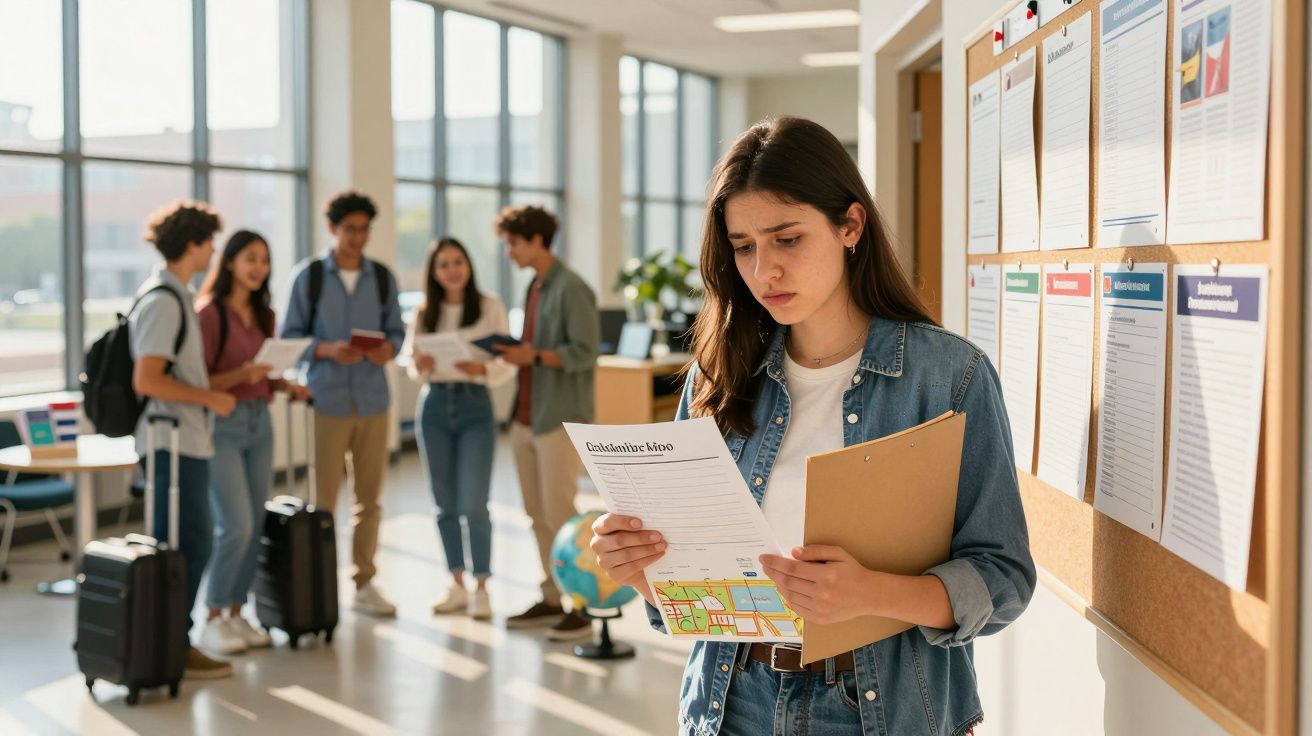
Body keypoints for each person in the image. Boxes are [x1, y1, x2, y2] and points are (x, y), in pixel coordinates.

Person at [589, 117, 1035, 735]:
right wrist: (644, 573)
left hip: (882, 709)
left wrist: (871, 594)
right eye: (743, 246)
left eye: (787, 239)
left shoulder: (949, 377)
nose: (763, 269)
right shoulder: (716, 378)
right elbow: (699, 595)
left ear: (850, 226)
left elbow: (1003, 578)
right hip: (730, 700)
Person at [280, 191, 406, 618]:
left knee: (369, 500)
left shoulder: (383, 278)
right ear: (332, 228)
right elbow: (290, 340)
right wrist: (328, 350)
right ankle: (319, 581)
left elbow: (397, 333)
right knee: (324, 502)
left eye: (364, 229)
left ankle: (364, 580)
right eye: (349, 229)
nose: (357, 237)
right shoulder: (310, 278)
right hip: (328, 400)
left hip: (373, 400)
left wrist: (387, 348)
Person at [129, 201, 238, 679]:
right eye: (209, 241)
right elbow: (147, 379)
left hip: (186, 442)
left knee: (189, 541)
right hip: (170, 443)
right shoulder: (163, 301)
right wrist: (209, 398)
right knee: (184, 542)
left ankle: (173, 638)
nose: (214, 250)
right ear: (193, 244)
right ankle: (173, 640)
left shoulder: (177, 297)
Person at [195, 230, 311, 654]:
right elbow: (198, 381)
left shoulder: (265, 316)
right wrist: (241, 376)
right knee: (235, 525)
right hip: (221, 425)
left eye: (264, 259)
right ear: (229, 263)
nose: (258, 267)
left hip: (259, 423)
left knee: (255, 523)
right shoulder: (209, 314)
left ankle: (236, 612)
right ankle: (211, 614)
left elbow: (263, 371)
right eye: (250, 259)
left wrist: (283, 384)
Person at [491, 205, 600, 641]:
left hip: (558, 415)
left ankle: (583, 604)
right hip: (525, 415)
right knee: (536, 513)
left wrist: (532, 355)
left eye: (513, 243)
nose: (508, 252)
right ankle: (554, 595)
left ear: (536, 240)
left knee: (560, 514)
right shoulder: (535, 286)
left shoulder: (572, 288)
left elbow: (584, 352)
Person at [402, 237, 516, 620]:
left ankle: (482, 585)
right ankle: (455, 582)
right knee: (443, 504)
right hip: (434, 406)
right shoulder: (424, 312)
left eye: (458, 262)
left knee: (473, 503)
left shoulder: (489, 307)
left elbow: (507, 362)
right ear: (434, 273)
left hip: (474, 407)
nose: (452, 270)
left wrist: (482, 369)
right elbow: (410, 363)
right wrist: (421, 364)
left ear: (468, 265)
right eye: (444, 265)